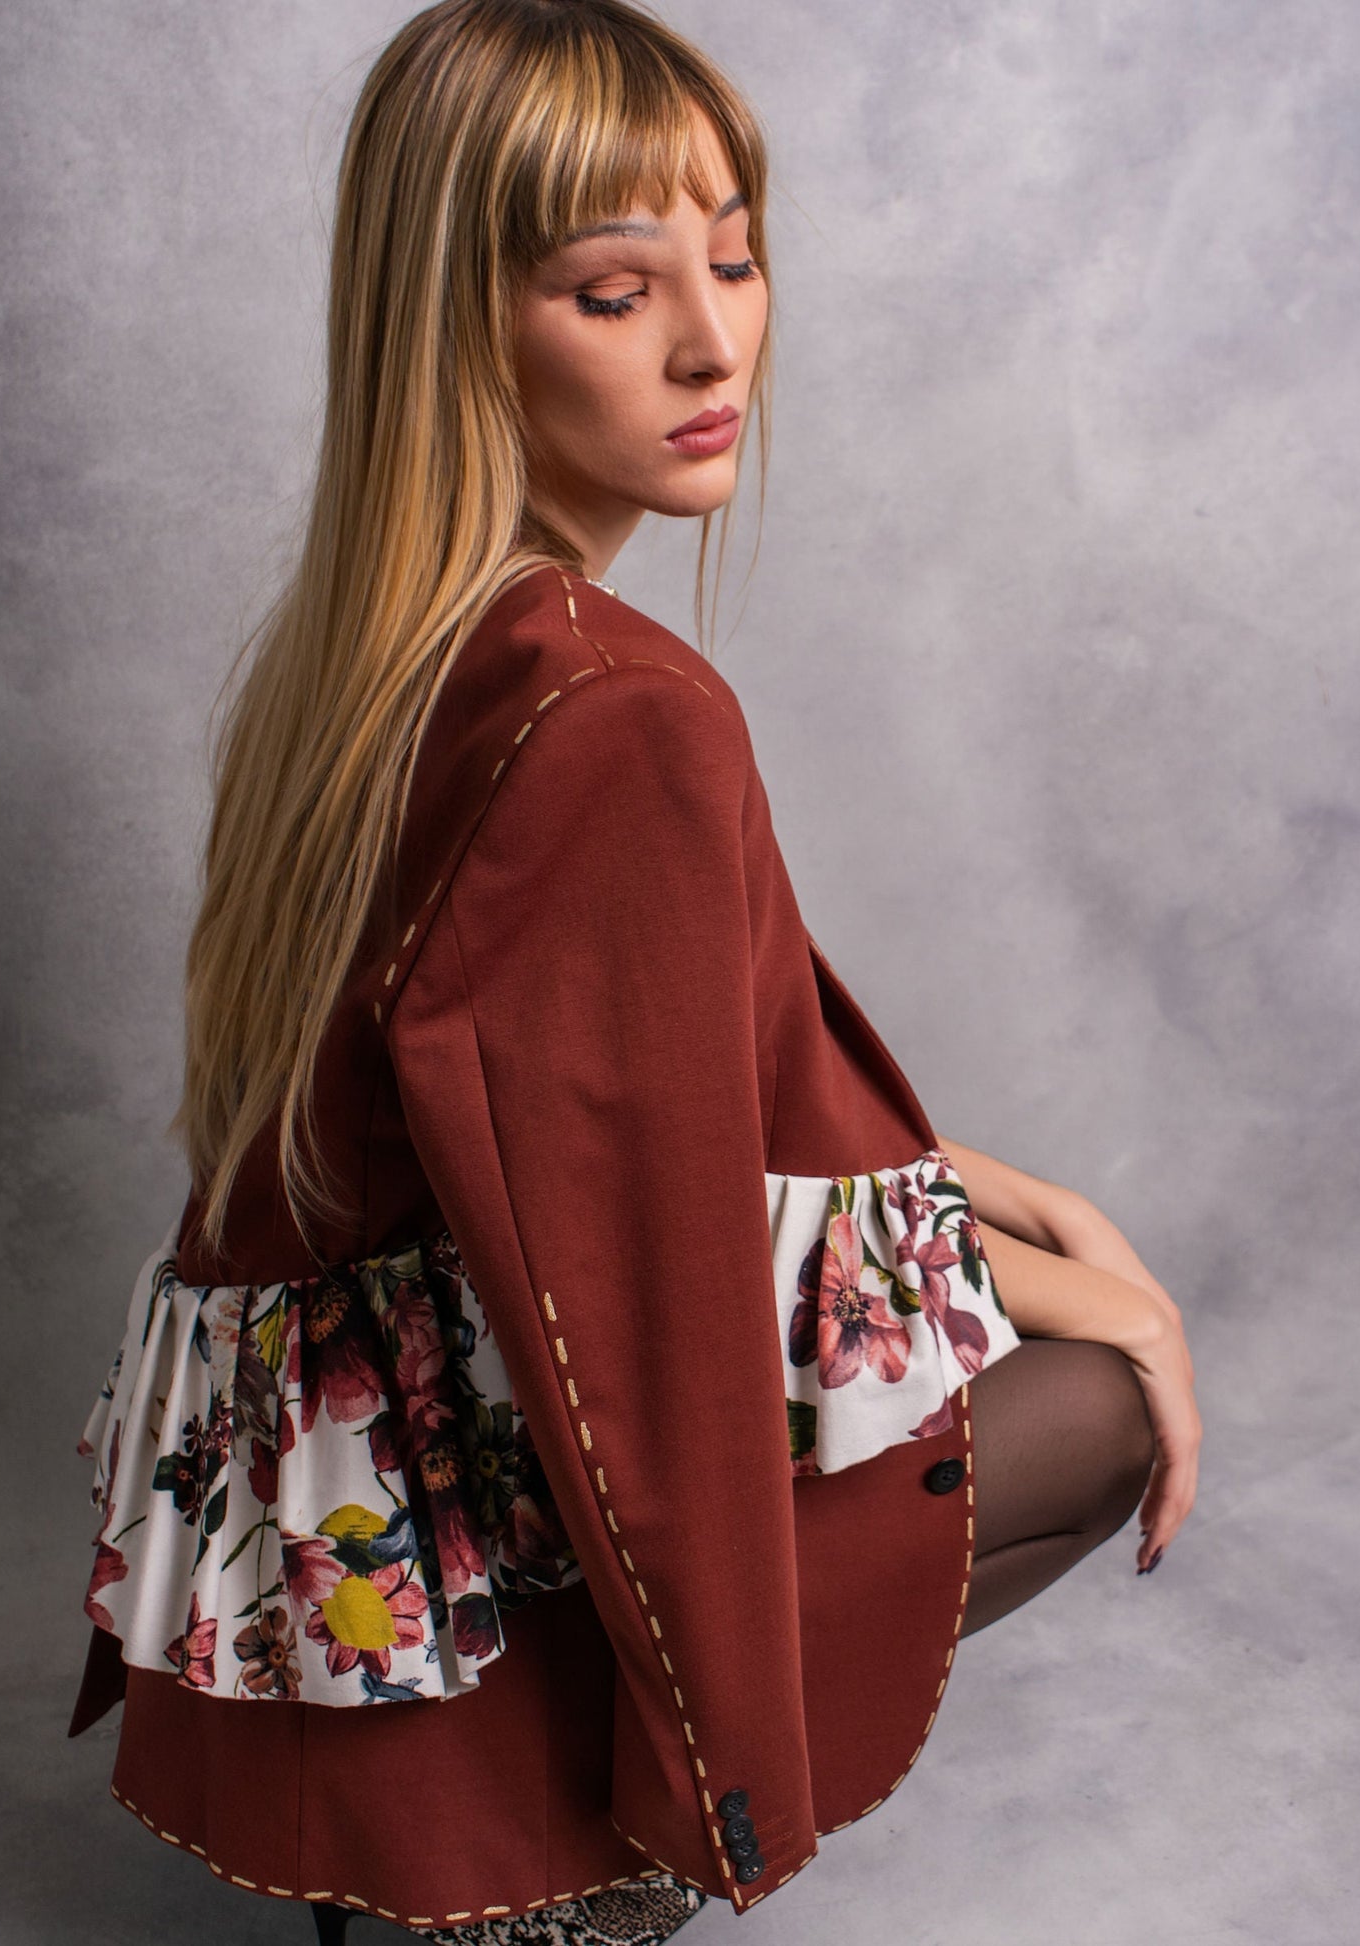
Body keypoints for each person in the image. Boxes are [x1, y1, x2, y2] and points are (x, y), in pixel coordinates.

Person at [65, 3, 1202, 1940]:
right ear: (458, 326)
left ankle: (465, 1840)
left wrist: (989, 1196)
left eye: (734, 261)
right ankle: (564, 1881)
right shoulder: (617, 713)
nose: (711, 343)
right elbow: (635, 1254)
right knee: (1095, 1398)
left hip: (352, 1609)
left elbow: (629, 1114)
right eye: (613, 289)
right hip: (497, 1572)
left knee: (1032, 1326)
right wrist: (1090, 1300)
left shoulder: (373, 658)